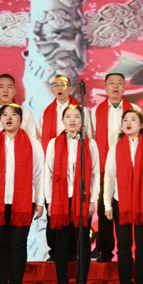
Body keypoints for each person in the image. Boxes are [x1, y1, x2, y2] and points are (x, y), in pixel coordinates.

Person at [0, 104, 44, 284]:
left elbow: (39, 175)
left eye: (13, 115)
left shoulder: (33, 144)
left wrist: (39, 201)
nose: (9, 118)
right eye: (5, 115)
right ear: (0, 120)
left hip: (23, 202)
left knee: (18, 245)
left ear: (20, 120)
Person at [104, 110, 143, 284]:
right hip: (121, 202)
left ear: (141, 125)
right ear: (122, 125)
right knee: (123, 246)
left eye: (133, 120)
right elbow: (109, 177)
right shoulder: (115, 148)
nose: (128, 122)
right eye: (125, 120)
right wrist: (107, 204)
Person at [43, 105, 100, 284]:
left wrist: (92, 200)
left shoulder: (90, 144)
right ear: (63, 120)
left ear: (82, 121)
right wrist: (50, 200)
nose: (72, 120)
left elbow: (94, 174)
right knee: (61, 244)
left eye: (76, 116)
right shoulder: (54, 143)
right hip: (60, 200)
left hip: (82, 200)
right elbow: (48, 173)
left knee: (83, 243)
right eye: (68, 116)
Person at [39, 74, 92, 263]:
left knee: (76, 216)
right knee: (54, 214)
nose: (59, 88)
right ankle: (55, 253)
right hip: (55, 169)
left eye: (63, 85)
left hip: (77, 168)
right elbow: (41, 138)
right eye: (56, 85)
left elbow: (88, 136)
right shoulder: (45, 112)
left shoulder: (81, 110)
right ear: (52, 89)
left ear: (70, 88)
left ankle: (73, 252)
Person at [90, 73, 141, 262]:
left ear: (125, 87)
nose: (115, 86)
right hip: (103, 169)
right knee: (104, 211)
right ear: (105, 87)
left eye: (119, 83)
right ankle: (105, 251)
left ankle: (125, 251)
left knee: (124, 211)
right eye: (111, 83)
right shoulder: (95, 111)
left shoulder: (134, 110)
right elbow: (91, 139)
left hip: (127, 169)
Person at [0, 74, 38, 142]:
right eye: (1, 87)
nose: (5, 90)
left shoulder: (25, 112)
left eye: (9, 87)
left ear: (14, 91)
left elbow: (33, 139)